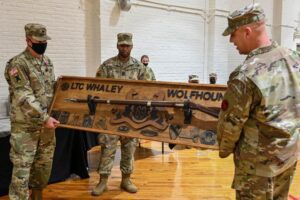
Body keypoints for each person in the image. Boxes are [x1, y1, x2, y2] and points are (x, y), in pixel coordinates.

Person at [217, 3, 300, 199]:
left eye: (233, 34)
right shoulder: (293, 59)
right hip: (288, 156)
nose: (230, 40)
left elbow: (230, 127)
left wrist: (224, 149)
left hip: (257, 168)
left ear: (246, 31)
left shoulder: (246, 74)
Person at [92, 33, 154, 196]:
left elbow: (149, 90)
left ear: (132, 46)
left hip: (131, 118)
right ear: (117, 46)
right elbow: (97, 88)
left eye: (127, 45)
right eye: (122, 45)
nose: (124, 48)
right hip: (110, 117)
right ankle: (103, 181)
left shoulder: (139, 68)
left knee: (129, 148)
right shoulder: (107, 66)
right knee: (107, 148)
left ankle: (126, 179)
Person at [4, 23, 60, 200]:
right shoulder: (17, 64)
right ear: (28, 40)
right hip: (25, 128)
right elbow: (24, 96)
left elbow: (50, 92)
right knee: (22, 171)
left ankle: (37, 197)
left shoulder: (47, 62)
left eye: (45, 40)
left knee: (43, 167)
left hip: (46, 127)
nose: (43, 43)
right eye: (38, 41)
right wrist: (44, 117)